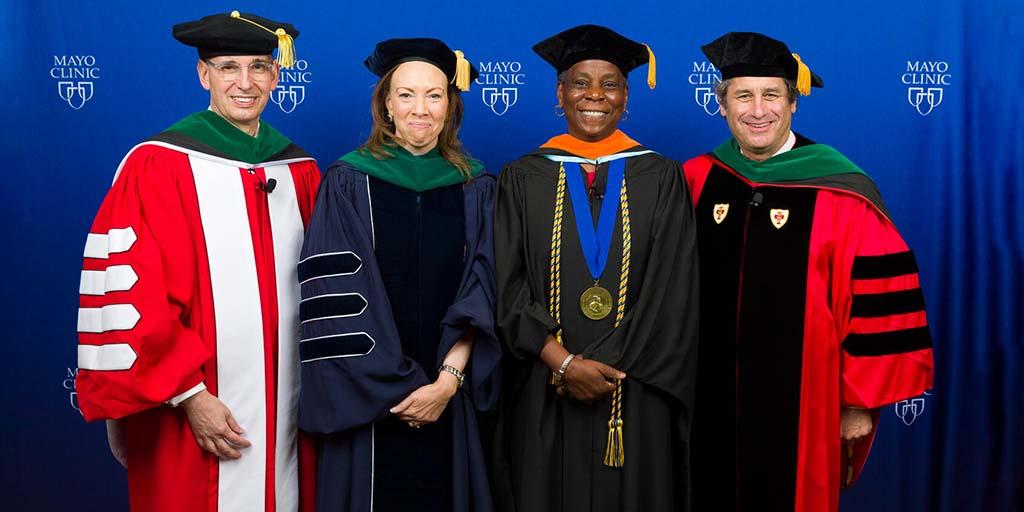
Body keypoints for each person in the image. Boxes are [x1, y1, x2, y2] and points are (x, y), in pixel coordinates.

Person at [73, 11, 320, 512]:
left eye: (258, 67)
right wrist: (190, 396)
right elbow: (132, 295)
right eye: (229, 67)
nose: (245, 83)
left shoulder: (300, 171)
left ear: (277, 75)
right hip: (192, 405)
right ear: (203, 74)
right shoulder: (158, 164)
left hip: (291, 411)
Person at [682, 32, 936, 512]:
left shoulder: (842, 191)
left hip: (805, 403)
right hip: (706, 399)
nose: (758, 110)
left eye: (772, 95)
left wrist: (859, 401)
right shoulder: (698, 177)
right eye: (743, 96)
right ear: (721, 105)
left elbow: (878, 307)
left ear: (793, 103)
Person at [491, 24, 699, 512]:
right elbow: (507, 283)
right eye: (580, 82)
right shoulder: (523, 176)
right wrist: (563, 364)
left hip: (634, 393)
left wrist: (598, 368)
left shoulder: (662, 176)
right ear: (559, 92)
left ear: (627, 96)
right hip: (546, 388)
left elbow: (674, 292)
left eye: (610, 84)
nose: (594, 95)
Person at [296, 38, 500, 512]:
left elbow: (485, 288)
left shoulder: (478, 186)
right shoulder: (347, 182)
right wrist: (405, 387)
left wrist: (446, 383)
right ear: (386, 103)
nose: (420, 109)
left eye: (434, 95)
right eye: (406, 95)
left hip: (452, 392)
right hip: (369, 400)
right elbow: (336, 300)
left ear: (451, 105)